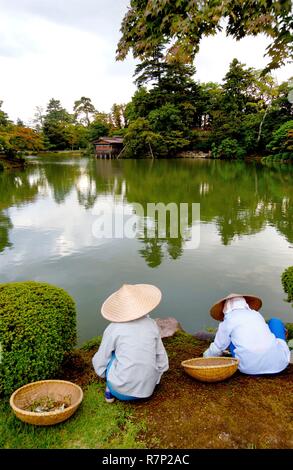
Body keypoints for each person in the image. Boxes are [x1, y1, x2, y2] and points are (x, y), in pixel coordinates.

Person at [92, 283, 169, 403]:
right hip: (149, 390)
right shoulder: (152, 324)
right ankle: (142, 381)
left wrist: (103, 373)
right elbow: (161, 357)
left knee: (112, 355)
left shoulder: (114, 328)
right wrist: (158, 374)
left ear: (119, 309)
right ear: (143, 305)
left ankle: (110, 389)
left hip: (121, 392)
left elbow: (102, 358)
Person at [203, 293, 290, 375]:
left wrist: (205, 357)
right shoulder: (256, 314)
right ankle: (274, 352)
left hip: (249, 368)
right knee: (275, 321)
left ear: (225, 308)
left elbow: (218, 347)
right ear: (245, 304)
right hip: (279, 364)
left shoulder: (228, 320)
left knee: (228, 339)